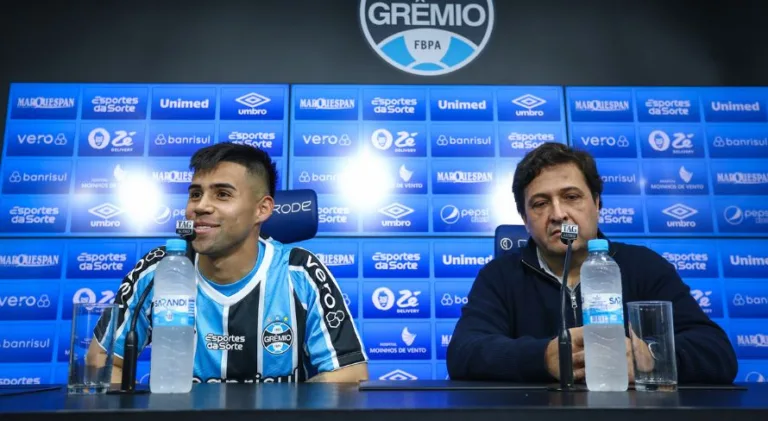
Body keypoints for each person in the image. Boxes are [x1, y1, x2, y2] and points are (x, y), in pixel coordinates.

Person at [446, 142, 737, 384]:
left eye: (571, 197)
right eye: (540, 203)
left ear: (597, 204)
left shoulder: (644, 266)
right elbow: (463, 353)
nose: (558, 214)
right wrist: (543, 357)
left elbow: (717, 352)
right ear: (524, 219)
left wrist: (649, 358)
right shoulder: (500, 276)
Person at [87, 142, 369, 383]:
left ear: (262, 209)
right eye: (195, 194)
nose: (200, 206)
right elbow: (102, 362)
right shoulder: (160, 268)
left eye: (222, 194)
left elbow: (351, 374)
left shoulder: (300, 271)